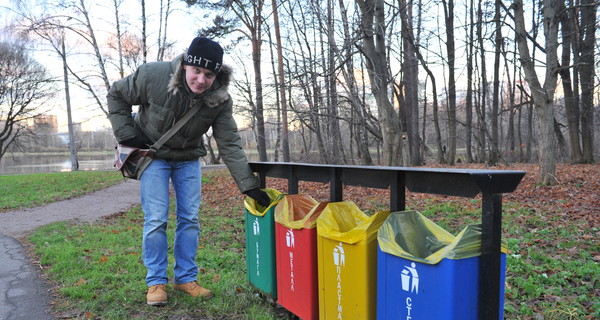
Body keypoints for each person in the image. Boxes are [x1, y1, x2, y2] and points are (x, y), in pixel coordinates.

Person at [107, 37, 271, 306]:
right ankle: (156, 282)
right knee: (157, 218)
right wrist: (127, 134)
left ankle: (185, 278)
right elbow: (117, 94)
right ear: (185, 65)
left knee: (190, 219)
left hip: (188, 159)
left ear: (216, 75)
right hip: (153, 155)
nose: (201, 80)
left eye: (209, 74)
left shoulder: (219, 99)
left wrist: (248, 184)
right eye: (197, 71)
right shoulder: (153, 75)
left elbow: (228, 142)